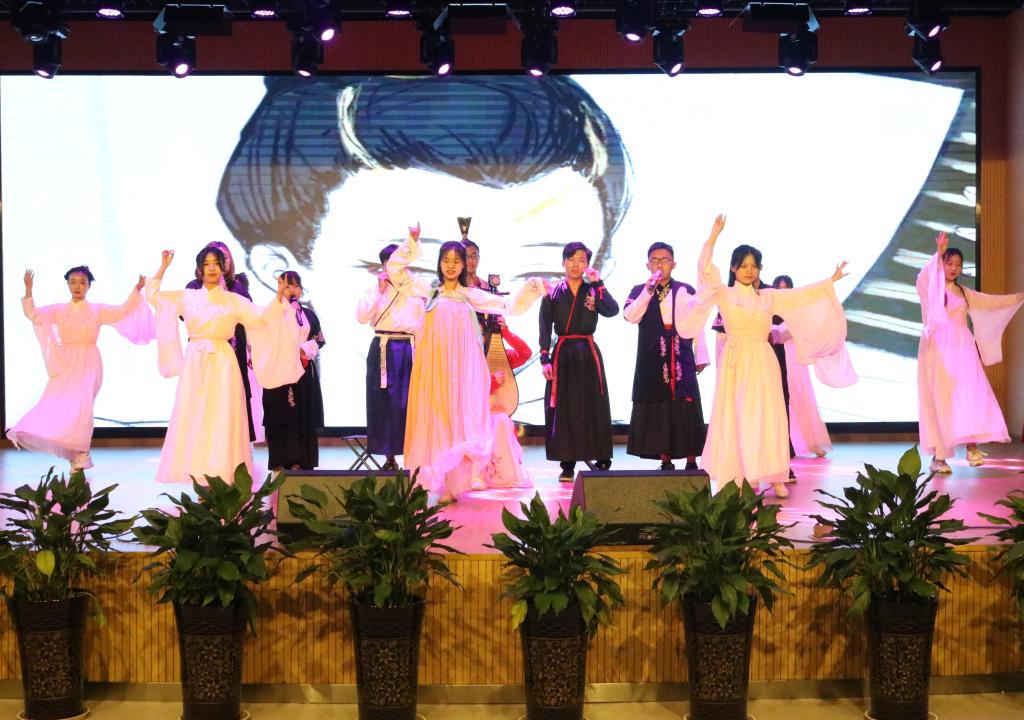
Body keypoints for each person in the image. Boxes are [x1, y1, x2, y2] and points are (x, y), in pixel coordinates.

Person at [675, 215, 853, 498]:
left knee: (768, 416)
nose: (749, 271)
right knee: (737, 416)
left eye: (754, 266)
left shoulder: (767, 297)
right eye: (743, 265)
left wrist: (829, 281)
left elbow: (799, 297)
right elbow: (706, 271)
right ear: (733, 268)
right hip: (736, 361)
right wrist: (712, 238)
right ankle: (737, 476)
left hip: (763, 359)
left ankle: (774, 474)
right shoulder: (724, 294)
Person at [387, 223, 545, 502]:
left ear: (463, 266)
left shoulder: (470, 295)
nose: (451, 266)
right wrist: (412, 242)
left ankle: (455, 482)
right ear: (439, 263)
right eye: (446, 260)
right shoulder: (428, 291)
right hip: (433, 371)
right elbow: (395, 271)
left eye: (456, 261)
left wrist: (534, 287)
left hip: (461, 372)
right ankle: (435, 481)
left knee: (461, 420)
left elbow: (509, 306)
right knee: (435, 421)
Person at [146, 247, 304, 485]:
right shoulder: (188, 297)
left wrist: (279, 298)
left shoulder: (233, 300)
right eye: (206, 264)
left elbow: (262, 318)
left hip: (223, 362)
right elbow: (154, 297)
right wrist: (163, 267)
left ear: (223, 267)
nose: (211, 268)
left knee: (222, 416)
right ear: (200, 269)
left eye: (216, 263)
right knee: (196, 416)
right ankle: (198, 474)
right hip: (195, 363)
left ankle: (224, 473)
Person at [6, 266, 154, 471]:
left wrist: (137, 289)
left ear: (89, 285)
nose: (77, 286)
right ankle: (71, 451)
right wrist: (29, 291)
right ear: (67, 284)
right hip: (65, 362)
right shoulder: (58, 310)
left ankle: (81, 451)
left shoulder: (97, 310)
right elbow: (35, 315)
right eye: (73, 282)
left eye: (82, 282)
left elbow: (122, 311)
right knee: (58, 404)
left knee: (83, 408)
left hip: (89, 362)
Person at [916, 232, 1024, 473]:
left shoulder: (964, 292)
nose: (953, 268)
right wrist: (938, 253)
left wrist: (1018, 298)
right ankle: (939, 457)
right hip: (937, 349)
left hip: (962, 348)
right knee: (941, 398)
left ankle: (971, 445)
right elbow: (924, 277)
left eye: (958, 265)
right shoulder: (931, 288)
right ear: (942, 264)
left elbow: (990, 303)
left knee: (971, 392)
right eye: (949, 263)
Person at [623, 242, 708, 471]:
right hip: (652, 354)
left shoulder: (685, 289)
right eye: (655, 260)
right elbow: (630, 316)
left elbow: (697, 321)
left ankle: (691, 459)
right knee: (658, 404)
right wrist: (648, 291)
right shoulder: (639, 290)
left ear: (674, 264)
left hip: (681, 351)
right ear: (648, 265)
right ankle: (665, 459)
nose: (660, 264)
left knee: (685, 403)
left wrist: (701, 354)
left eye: (665, 260)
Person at [540, 242, 620, 481]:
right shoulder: (552, 292)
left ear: (587, 265)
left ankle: (601, 456)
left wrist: (598, 283)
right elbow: (544, 326)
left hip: (587, 351)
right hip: (563, 354)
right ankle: (567, 463)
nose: (576, 265)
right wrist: (545, 358)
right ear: (563, 262)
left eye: (581, 260)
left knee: (593, 403)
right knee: (564, 406)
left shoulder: (592, 290)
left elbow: (612, 310)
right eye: (571, 259)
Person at [185, 240, 262, 443]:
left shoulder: (237, 287)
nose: (215, 265)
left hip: (234, 350)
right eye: (209, 262)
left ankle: (237, 444)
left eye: (223, 258)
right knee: (203, 396)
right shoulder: (194, 288)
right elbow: (185, 316)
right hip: (203, 351)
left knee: (234, 394)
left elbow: (252, 316)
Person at [355, 243, 423, 471]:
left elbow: (424, 322)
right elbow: (361, 316)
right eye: (389, 263)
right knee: (383, 402)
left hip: (410, 348)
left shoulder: (416, 287)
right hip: (383, 347)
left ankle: (416, 455)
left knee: (411, 402)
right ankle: (389, 456)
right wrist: (379, 290)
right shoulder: (375, 290)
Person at [262, 271, 325, 471]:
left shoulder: (308, 314)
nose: (292, 290)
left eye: (296, 286)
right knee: (280, 414)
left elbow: (319, 339)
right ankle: (281, 461)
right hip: (279, 371)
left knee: (302, 415)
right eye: (287, 286)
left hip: (303, 370)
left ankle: (302, 460)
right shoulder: (273, 313)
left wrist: (305, 349)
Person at [771, 275, 832, 459]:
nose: (783, 292)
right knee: (778, 402)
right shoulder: (769, 310)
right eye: (779, 288)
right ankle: (782, 445)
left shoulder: (796, 310)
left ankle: (812, 443)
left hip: (794, 358)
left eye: (787, 288)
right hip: (775, 357)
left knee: (801, 398)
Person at [483, 320, 534, 489]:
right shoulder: (471, 359)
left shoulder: (502, 357)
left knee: (501, 420)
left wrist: (505, 332)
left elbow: (525, 353)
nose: (483, 337)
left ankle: (504, 475)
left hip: (500, 416)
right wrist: (491, 381)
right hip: (476, 418)